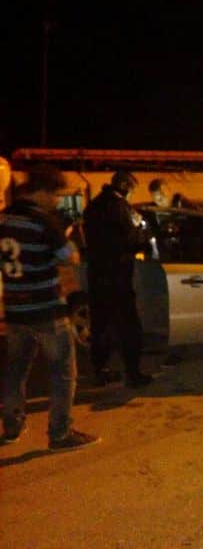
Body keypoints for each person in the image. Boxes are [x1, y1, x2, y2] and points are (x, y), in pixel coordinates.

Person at [1, 164, 101, 451]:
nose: (57, 200)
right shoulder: (44, 222)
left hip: (16, 311)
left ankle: (11, 427)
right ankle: (60, 433)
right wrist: (65, 235)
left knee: (15, 371)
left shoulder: (4, 218)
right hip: (46, 310)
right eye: (54, 194)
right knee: (63, 372)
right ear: (42, 192)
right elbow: (69, 257)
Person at [83, 171, 153, 388]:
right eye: (131, 188)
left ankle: (100, 370)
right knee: (129, 325)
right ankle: (133, 373)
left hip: (97, 274)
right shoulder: (122, 209)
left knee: (100, 324)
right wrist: (144, 233)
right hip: (119, 274)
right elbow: (133, 241)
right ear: (124, 186)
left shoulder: (93, 206)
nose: (131, 193)